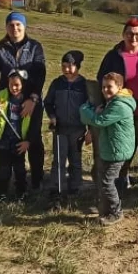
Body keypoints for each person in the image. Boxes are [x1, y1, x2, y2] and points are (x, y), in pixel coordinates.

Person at [96, 18, 138, 194]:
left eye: (137, 34)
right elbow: (101, 80)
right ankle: (122, 178)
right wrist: (102, 104)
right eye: (129, 34)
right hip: (120, 111)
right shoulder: (113, 56)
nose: (133, 38)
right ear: (123, 34)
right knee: (123, 147)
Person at [0, 12, 47, 191]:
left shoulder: (35, 47)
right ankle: (7, 177)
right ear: (6, 27)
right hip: (7, 99)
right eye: (11, 25)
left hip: (30, 99)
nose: (15, 28)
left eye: (18, 24)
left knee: (33, 139)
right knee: (8, 137)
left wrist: (33, 99)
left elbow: (40, 75)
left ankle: (37, 178)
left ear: (24, 26)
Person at [81, 72, 136, 226]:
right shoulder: (113, 101)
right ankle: (106, 206)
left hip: (117, 150)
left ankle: (116, 212)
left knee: (106, 181)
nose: (105, 90)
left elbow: (100, 121)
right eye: (103, 87)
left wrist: (85, 109)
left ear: (119, 87)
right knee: (100, 175)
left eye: (109, 87)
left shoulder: (119, 105)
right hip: (113, 147)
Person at [0, 69, 41, 202]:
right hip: (3, 140)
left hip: (19, 141)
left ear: (23, 85)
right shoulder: (2, 95)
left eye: (17, 85)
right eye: (11, 85)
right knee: (3, 169)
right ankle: (1, 192)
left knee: (20, 169)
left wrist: (28, 141)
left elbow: (35, 125)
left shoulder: (30, 102)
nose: (13, 88)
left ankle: (21, 192)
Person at [43, 50, 90, 207]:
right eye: (63, 66)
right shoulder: (57, 83)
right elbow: (48, 102)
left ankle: (75, 188)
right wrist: (52, 117)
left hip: (78, 130)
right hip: (60, 129)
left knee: (75, 159)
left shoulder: (84, 85)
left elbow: (90, 107)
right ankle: (56, 190)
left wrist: (89, 129)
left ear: (77, 66)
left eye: (70, 66)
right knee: (58, 160)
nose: (66, 69)